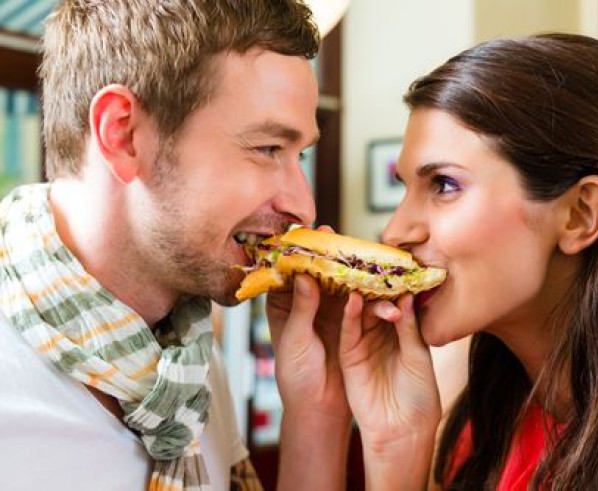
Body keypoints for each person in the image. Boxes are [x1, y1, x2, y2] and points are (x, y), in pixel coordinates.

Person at [310, 33, 598, 489]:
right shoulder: (458, 406)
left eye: (445, 185)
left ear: (580, 215)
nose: (395, 232)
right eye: (404, 188)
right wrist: (394, 449)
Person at [0, 1, 353, 490]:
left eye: (300, 155)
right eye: (267, 148)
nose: (304, 207)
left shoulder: (185, 361)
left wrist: (317, 404)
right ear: (122, 134)